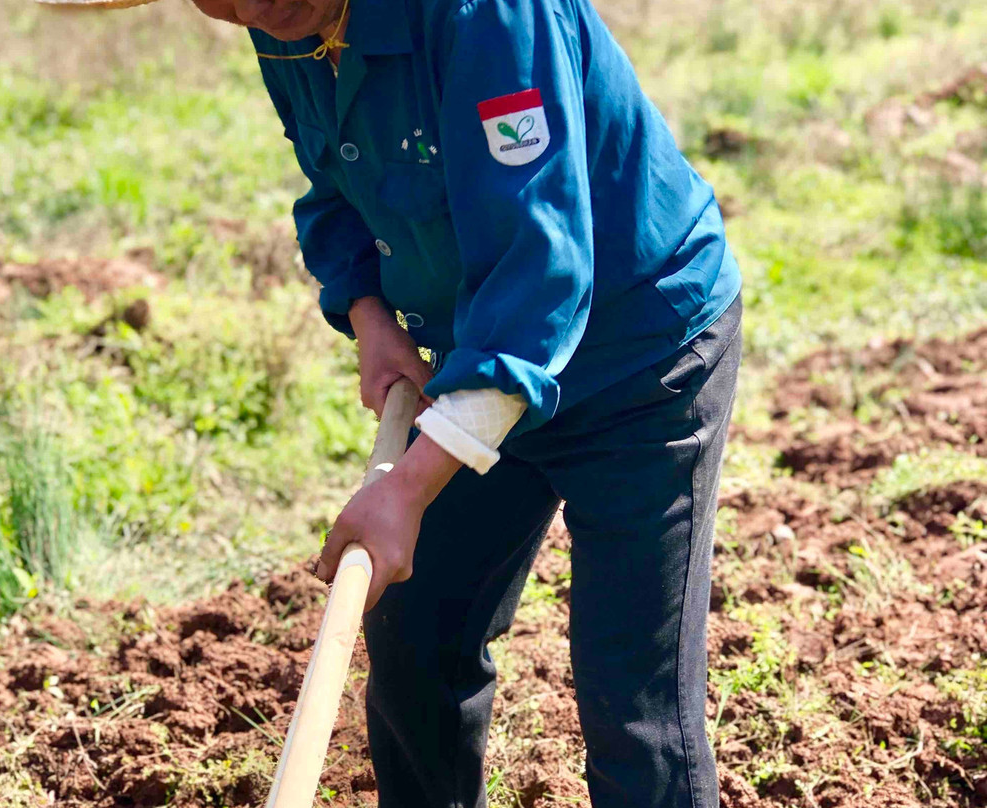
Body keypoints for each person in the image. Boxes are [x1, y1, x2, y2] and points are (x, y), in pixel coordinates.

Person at [64, 0, 743, 804]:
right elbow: (333, 184)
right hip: (474, 353)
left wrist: (411, 486)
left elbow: (540, 269)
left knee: (635, 702)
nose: (250, 5)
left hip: (638, 359)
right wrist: (370, 314)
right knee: (417, 647)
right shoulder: (282, 17)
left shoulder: (485, 15)